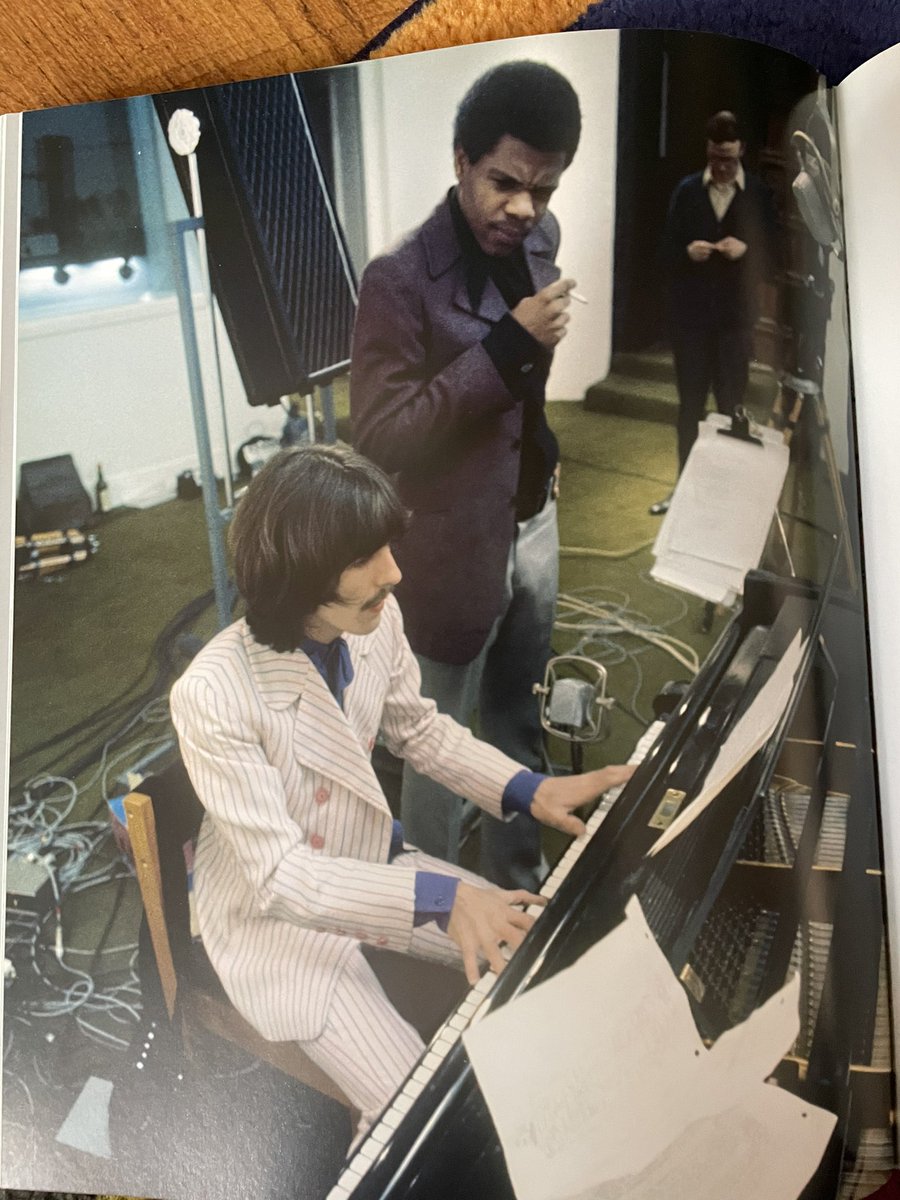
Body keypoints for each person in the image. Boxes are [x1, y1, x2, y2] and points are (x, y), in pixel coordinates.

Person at [169, 445, 633, 1137]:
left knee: (542, 955)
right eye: (365, 557)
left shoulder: (374, 616)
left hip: (373, 866)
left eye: (385, 544)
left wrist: (530, 790)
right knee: (414, 1115)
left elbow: (420, 732)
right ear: (297, 578)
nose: (395, 570)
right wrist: (443, 899)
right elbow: (285, 881)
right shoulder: (211, 692)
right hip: (274, 925)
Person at [351, 60, 582, 890]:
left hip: (532, 524)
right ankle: (440, 922)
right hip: (448, 550)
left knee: (519, 714)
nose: (523, 209)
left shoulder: (537, 242)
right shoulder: (399, 280)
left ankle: (519, 882)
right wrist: (506, 349)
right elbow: (378, 438)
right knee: (440, 749)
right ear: (461, 161)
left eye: (544, 191)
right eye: (504, 182)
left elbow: (527, 396)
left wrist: (542, 456)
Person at [650, 110, 778, 515]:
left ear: (741, 151)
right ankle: (684, 493)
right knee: (689, 408)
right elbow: (664, 251)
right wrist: (686, 252)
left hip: (735, 323)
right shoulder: (688, 191)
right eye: (715, 159)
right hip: (691, 322)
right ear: (708, 151)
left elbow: (776, 256)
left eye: (728, 159)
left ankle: (726, 499)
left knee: (729, 407)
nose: (721, 167)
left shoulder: (758, 194)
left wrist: (749, 251)